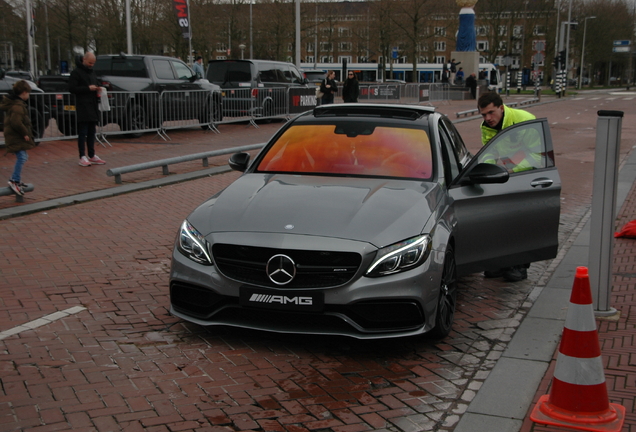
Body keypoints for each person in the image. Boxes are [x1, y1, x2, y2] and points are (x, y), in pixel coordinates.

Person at [478, 91, 537, 282]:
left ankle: (519, 265)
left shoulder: (525, 121)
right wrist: (488, 168)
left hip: (525, 176)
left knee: (521, 222)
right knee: (501, 220)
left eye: (491, 113)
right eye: (484, 115)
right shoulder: (486, 126)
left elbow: (538, 154)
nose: (488, 118)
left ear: (501, 108)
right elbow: (488, 151)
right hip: (504, 175)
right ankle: (502, 263)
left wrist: (512, 170)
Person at [68, 52, 106, 167]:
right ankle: (82, 156)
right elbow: (72, 88)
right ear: (84, 60)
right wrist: (87, 88)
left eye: (93, 63)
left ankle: (92, 154)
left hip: (93, 104)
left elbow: (96, 82)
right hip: (83, 105)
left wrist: (99, 87)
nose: (91, 65)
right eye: (90, 62)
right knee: (83, 131)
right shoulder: (76, 73)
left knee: (91, 131)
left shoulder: (92, 72)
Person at [1, 80, 35, 196]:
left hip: (14, 135)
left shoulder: (14, 104)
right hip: (16, 136)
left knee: (23, 156)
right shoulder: (18, 106)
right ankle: (14, 180)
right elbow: (16, 122)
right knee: (22, 157)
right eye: (28, 93)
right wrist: (25, 133)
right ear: (24, 93)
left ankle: (16, 180)